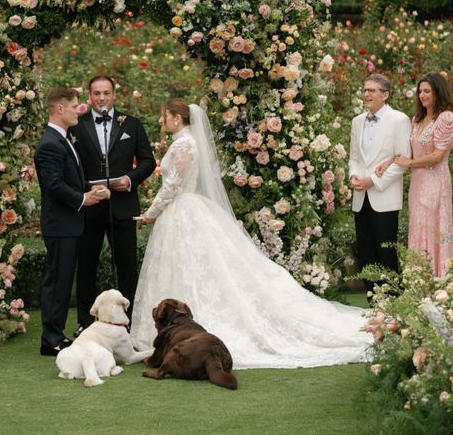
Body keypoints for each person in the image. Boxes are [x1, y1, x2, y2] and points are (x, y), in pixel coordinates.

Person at [130, 100, 372, 369]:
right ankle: (170, 332)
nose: (161, 120)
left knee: (190, 266)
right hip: (182, 210)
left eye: (164, 115)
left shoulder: (184, 144)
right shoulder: (183, 142)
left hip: (181, 209)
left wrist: (150, 213)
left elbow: (173, 185)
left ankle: (177, 332)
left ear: (176, 118)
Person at [73, 74, 155, 333]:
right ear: (90, 96)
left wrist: (130, 180)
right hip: (90, 206)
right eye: (96, 93)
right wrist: (84, 189)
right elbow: (71, 164)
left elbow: (147, 161)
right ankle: (86, 323)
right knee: (86, 265)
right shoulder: (76, 125)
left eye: (106, 93)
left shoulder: (131, 124)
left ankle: (128, 324)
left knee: (127, 265)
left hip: (122, 205)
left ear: (114, 95)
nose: (101, 98)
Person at [34, 86, 110, 357]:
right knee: (57, 281)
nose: (80, 110)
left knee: (65, 281)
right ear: (59, 109)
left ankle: (56, 334)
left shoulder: (64, 139)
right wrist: (82, 199)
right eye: (75, 105)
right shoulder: (49, 144)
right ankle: (50, 339)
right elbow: (53, 185)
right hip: (60, 224)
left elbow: (71, 179)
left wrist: (94, 188)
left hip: (69, 223)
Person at [375, 73, 453, 276]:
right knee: (418, 227)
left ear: (438, 92)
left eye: (427, 91)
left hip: (436, 182)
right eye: (420, 91)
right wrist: (388, 162)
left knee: (433, 229)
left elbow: (437, 155)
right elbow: (408, 151)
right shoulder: (417, 120)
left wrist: (409, 163)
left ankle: (438, 282)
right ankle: (418, 282)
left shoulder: (446, 118)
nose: (422, 95)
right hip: (418, 184)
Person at [348, 74, 412, 292]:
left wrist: (372, 181)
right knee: (365, 252)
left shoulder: (400, 120)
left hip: (384, 196)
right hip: (360, 196)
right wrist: (353, 176)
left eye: (372, 90)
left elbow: (402, 160)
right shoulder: (357, 121)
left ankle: (393, 303)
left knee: (386, 252)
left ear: (385, 95)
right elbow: (354, 158)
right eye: (365, 90)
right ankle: (372, 303)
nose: (366, 94)